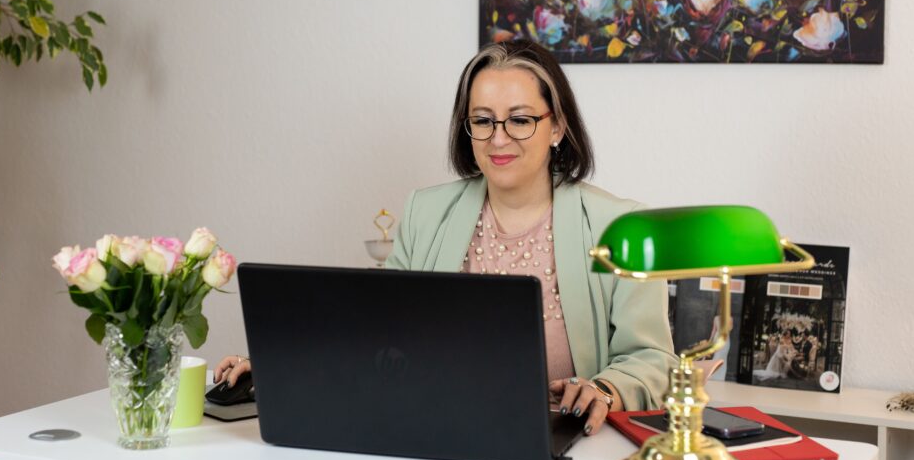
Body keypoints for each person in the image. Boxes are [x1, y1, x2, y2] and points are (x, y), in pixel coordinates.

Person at [216, 40, 677, 436]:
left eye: (520, 120)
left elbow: (652, 357)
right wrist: (284, 361)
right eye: (483, 120)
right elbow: (376, 331)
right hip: (434, 435)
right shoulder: (426, 212)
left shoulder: (619, 226)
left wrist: (604, 389)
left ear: (556, 126)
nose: (498, 139)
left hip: (557, 448)